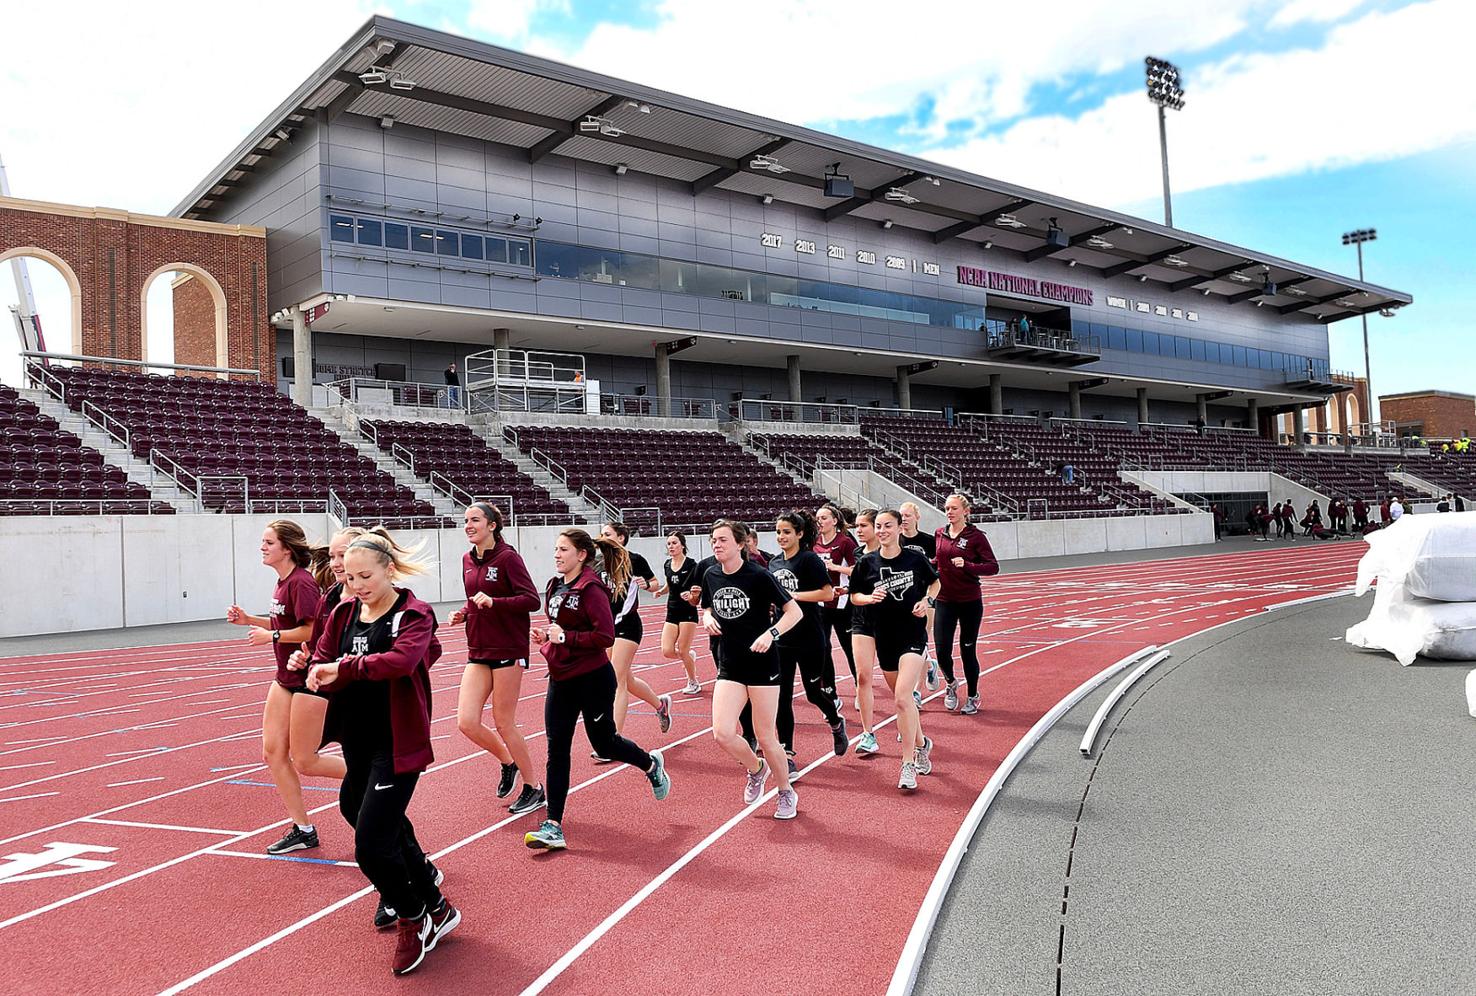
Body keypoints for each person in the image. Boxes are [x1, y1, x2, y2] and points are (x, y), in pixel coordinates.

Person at [304, 531, 459, 976]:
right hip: (357, 739)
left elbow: (402, 661)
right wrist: (314, 671)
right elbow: (323, 657)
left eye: (365, 575)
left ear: (389, 569)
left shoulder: (414, 613)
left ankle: (413, 917)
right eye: (349, 577)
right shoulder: (342, 613)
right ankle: (436, 903)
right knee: (355, 809)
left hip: (396, 742)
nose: (356, 585)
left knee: (370, 846)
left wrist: (343, 667)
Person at [524, 529, 672, 851]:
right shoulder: (554, 586)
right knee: (556, 750)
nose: (557, 554)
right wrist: (547, 637)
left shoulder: (592, 589)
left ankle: (650, 764)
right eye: (555, 549)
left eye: (563, 549)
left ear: (581, 555)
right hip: (560, 679)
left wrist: (566, 639)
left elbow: (605, 636)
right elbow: (560, 628)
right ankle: (553, 824)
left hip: (593, 678)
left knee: (605, 744)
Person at [226, 520, 331, 855]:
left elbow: (312, 631)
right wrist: (251, 621)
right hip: (284, 679)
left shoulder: (302, 583)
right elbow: (285, 622)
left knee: (306, 760)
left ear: (286, 548)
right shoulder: (283, 582)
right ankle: (303, 828)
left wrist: (270, 636)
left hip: (305, 680)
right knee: (272, 752)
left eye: (268, 542)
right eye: (262, 542)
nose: (262, 547)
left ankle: (372, 779)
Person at [703, 519, 805, 820]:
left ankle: (785, 790)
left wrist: (770, 634)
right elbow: (708, 606)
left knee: (765, 736)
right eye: (713, 540)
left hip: (763, 665)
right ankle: (756, 769)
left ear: (740, 544)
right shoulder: (711, 574)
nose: (716, 544)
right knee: (721, 733)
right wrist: (707, 617)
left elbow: (794, 612)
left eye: (722, 540)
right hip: (730, 664)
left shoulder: (759, 576)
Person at [448, 503, 545, 817]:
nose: (468, 525)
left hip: (507, 648)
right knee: (467, 721)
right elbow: (473, 597)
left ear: (492, 525)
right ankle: (508, 762)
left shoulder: (508, 558)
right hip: (478, 648)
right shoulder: (466, 560)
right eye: (465, 521)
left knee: (503, 721)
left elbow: (531, 600)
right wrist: (463, 613)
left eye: (474, 520)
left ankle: (534, 787)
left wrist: (495, 602)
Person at [851, 509, 941, 791]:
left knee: (903, 698)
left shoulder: (915, 559)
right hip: (884, 636)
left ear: (900, 528)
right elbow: (854, 595)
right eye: (878, 526)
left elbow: (935, 582)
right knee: (902, 701)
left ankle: (908, 764)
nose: (882, 531)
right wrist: (868, 597)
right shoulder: (866, 563)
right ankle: (923, 743)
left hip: (912, 635)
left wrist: (926, 600)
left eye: (887, 526)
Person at [767, 510, 848, 763]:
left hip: (810, 637)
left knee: (813, 692)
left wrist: (794, 597)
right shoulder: (774, 563)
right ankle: (787, 752)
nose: (781, 536)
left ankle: (835, 722)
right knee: (782, 696)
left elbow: (827, 594)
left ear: (800, 534)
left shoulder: (809, 560)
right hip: (782, 638)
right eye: (779, 532)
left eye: (787, 532)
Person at [598, 522, 673, 750]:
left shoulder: (635, 559)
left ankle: (613, 740)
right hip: (606, 627)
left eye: (608, 534)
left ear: (621, 538)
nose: (603, 537)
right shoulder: (597, 562)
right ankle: (660, 704)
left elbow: (655, 583)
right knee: (627, 680)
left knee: (616, 680)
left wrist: (645, 583)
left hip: (627, 625)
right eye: (601, 534)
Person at [934, 494, 1000, 715]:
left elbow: (992, 566)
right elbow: (937, 560)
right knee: (942, 649)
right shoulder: (940, 533)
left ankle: (973, 695)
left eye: (953, 508)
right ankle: (951, 683)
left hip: (969, 600)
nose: (949, 512)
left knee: (967, 650)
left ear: (966, 511)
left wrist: (968, 565)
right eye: (946, 508)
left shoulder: (976, 536)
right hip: (944, 599)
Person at [849, 509, 883, 754]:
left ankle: (908, 723)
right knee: (863, 677)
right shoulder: (858, 554)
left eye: (863, 526)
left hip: (891, 622)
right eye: (856, 526)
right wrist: (864, 597)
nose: (858, 530)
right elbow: (856, 590)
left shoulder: (895, 554)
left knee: (897, 685)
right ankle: (868, 734)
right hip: (862, 620)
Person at [814, 504, 858, 680]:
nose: (820, 522)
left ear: (834, 520)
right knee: (823, 646)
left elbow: (857, 570)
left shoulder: (845, 542)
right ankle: (829, 688)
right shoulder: (814, 542)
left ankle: (859, 682)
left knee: (849, 646)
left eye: (824, 518)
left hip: (842, 602)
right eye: (817, 519)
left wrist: (836, 567)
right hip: (821, 602)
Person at [899, 501, 940, 691]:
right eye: (902, 515)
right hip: (901, 597)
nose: (904, 519)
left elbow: (937, 570)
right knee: (904, 641)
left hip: (924, 597)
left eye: (908, 515)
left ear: (917, 517)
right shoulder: (896, 540)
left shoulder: (929, 541)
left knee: (921, 639)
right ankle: (930, 665)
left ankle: (916, 689)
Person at [655, 531, 702, 696]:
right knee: (667, 651)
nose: (671, 546)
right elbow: (670, 583)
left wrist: (691, 595)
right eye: (669, 544)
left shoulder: (692, 565)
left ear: (682, 545)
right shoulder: (667, 564)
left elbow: (698, 588)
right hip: (672, 610)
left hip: (688, 611)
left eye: (674, 543)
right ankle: (689, 656)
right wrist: (661, 592)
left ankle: (693, 682)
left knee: (682, 650)